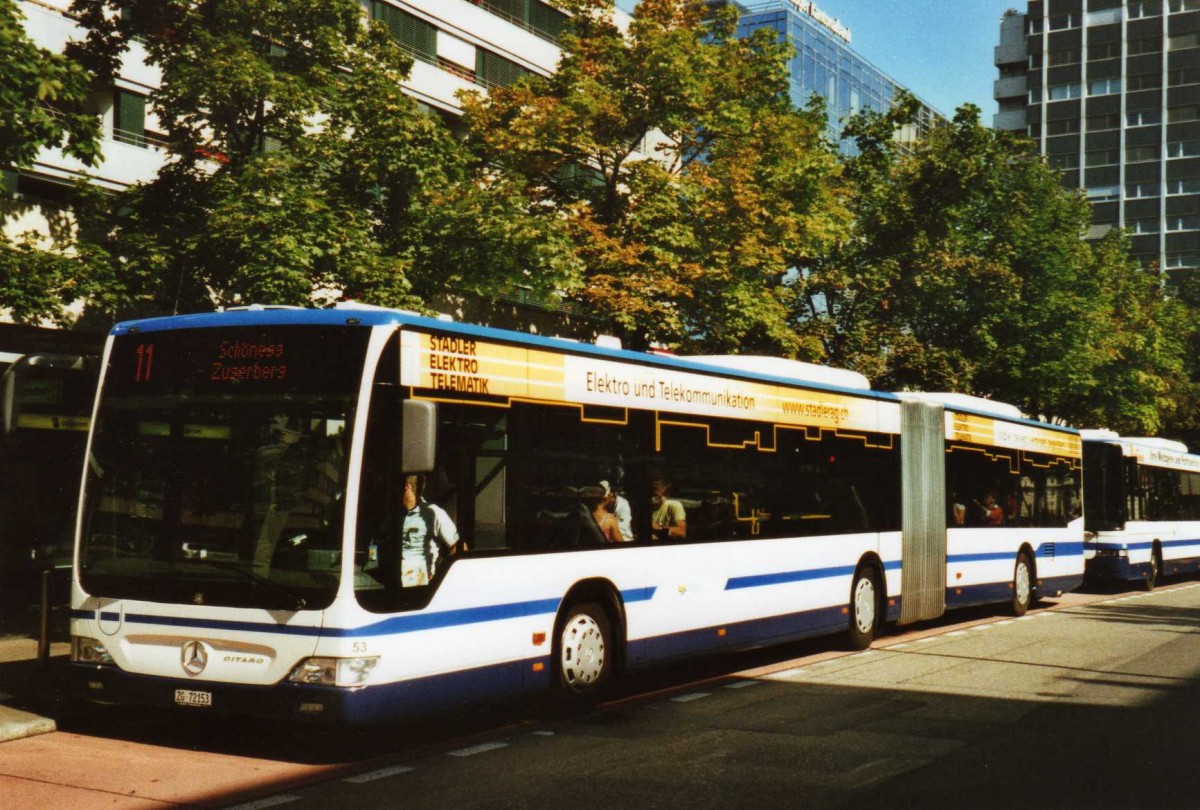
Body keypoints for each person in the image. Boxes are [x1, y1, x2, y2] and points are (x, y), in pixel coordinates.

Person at [400, 473, 459, 587]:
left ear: (407, 486)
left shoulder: (432, 513)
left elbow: (459, 546)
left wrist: (439, 577)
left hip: (419, 582)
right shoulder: (395, 514)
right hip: (395, 577)